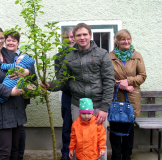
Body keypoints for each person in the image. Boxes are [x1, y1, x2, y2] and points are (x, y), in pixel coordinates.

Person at [40, 23, 115, 160]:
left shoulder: (102, 54)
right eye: (78, 35)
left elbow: (109, 82)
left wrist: (105, 108)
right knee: (79, 140)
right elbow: (62, 81)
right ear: (74, 38)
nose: (82, 38)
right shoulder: (69, 56)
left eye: (85, 34)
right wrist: (49, 85)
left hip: (98, 106)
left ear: (90, 35)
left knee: (98, 141)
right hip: (78, 106)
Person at [0, 25, 34, 160]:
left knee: (15, 149)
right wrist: (9, 92)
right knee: (5, 151)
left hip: (16, 109)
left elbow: (28, 68)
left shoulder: (9, 54)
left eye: (1, 38)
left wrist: (27, 72)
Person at [108, 29, 147, 160]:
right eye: (123, 39)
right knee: (114, 129)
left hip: (131, 98)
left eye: (128, 39)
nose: (126, 41)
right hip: (115, 98)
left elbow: (142, 76)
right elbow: (106, 77)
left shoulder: (137, 56)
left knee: (128, 130)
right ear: (117, 41)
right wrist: (119, 84)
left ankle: (126, 156)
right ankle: (116, 156)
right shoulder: (110, 57)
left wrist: (129, 81)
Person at [4, 30, 36, 160]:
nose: (11, 42)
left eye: (14, 40)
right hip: (5, 97)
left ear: (18, 43)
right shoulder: (1, 56)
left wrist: (27, 72)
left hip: (20, 98)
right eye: (8, 40)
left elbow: (34, 79)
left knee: (19, 128)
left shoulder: (25, 56)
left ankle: (19, 156)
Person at [54, 27, 74, 160]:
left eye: (73, 37)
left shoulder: (80, 53)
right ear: (63, 39)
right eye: (67, 37)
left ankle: (80, 150)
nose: (70, 40)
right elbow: (60, 79)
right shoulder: (59, 57)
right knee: (67, 124)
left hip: (83, 95)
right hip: (68, 95)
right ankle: (65, 152)